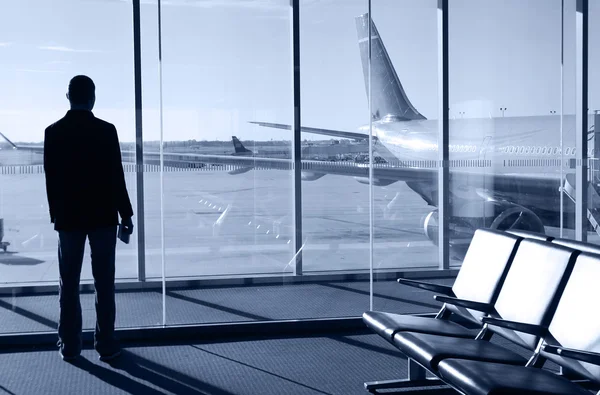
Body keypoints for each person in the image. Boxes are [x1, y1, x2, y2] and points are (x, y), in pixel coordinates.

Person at [43, 75, 134, 362]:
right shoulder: (107, 131)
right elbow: (116, 176)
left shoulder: (53, 132)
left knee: (68, 283)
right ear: (92, 97)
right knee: (104, 283)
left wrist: (55, 213)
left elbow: (51, 179)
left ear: (67, 97)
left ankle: (70, 346)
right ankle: (105, 343)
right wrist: (126, 214)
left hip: (68, 219)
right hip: (103, 217)